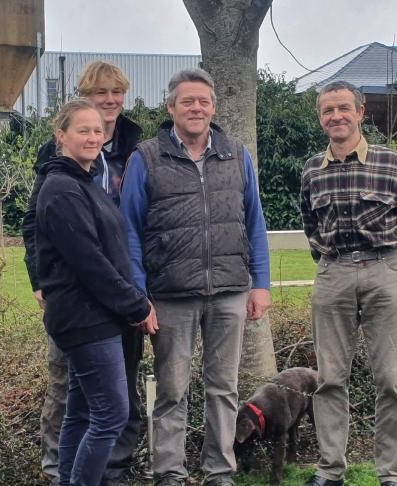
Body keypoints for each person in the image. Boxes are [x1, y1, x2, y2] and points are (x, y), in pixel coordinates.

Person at [120, 68, 271, 486]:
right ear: (171, 108)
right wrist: (139, 294)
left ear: (214, 108)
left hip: (229, 292)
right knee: (172, 389)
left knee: (223, 387)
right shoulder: (146, 158)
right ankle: (169, 471)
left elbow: (254, 222)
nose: (196, 108)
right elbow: (128, 230)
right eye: (187, 101)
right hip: (170, 294)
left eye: (203, 101)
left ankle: (220, 471)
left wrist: (261, 283)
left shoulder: (236, 154)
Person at [299, 81, 397, 486]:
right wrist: (331, 265)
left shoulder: (392, 163)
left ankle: (390, 474)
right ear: (321, 118)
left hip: (385, 270)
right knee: (329, 379)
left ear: (361, 111)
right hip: (333, 272)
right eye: (327, 111)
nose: (335, 116)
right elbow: (310, 225)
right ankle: (330, 470)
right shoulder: (312, 170)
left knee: (391, 380)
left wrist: (395, 273)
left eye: (343, 108)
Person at [22, 61, 144, 485]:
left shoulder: (131, 145)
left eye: (116, 93)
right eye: (99, 95)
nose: (109, 102)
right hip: (86, 303)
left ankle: (103, 473)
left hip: (114, 294)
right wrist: (40, 279)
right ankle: (65, 473)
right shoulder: (63, 180)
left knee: (85, 405)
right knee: (106, 409)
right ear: (63, 135)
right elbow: (75, 248)